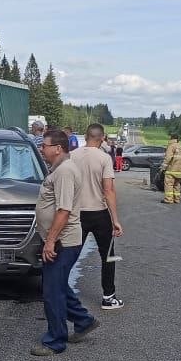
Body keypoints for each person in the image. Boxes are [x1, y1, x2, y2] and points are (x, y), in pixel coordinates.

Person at [31, 129, 98, 355]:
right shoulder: (59, 169)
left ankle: (55, 341)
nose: (42, 149)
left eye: (45, 145)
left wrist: (50, 241)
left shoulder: (65, 172)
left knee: (52, 292)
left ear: (57, 148)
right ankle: (83, 320)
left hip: (63, 241)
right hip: (60, 240)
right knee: (57, 286)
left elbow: (64, 210)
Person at [70, 124, 125, 310]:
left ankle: (60, 289)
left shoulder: (73, 155)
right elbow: (108, 190)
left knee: (70, 253)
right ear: (102, 138)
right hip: (99, 213)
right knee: (107, 256)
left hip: (77, 212)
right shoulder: (104, 158)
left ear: (86, 137)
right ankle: (109, 297)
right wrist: (115, 219)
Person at [160, 133, 181, 204]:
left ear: (171, 138)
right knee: (177, 185)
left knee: (169, 184)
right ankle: (177, 199)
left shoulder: (171, 146)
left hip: (171, 170)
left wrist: (163, 167)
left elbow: (168, 158)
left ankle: (168, 199)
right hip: (180, 171)